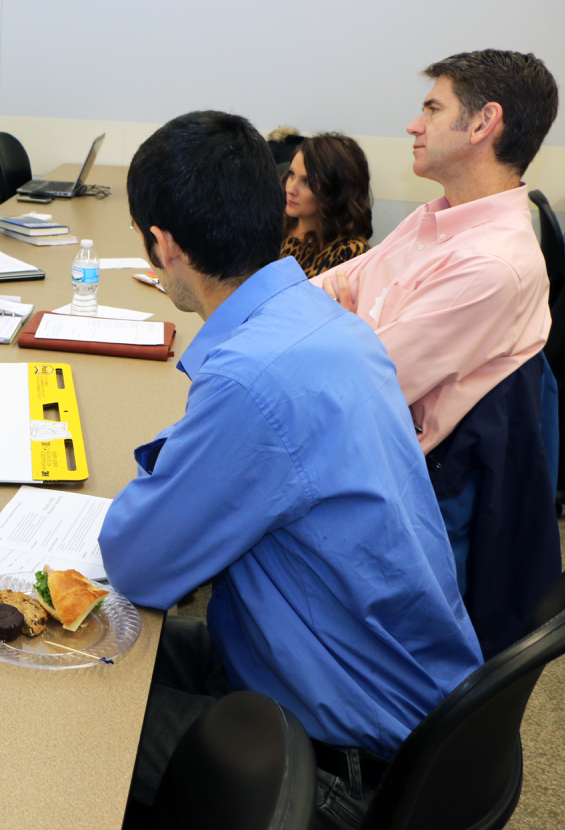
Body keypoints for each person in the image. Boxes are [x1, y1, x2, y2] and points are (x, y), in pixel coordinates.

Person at [98, 111, 481, 828]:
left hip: (340, 761)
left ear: (163, 245)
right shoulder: (320, 321)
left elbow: (138, 566)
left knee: (74, 707)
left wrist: (173, 475)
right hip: (401, 697)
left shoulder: (251, 379)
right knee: (100, 646)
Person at [313, 50, 556, 454]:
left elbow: (353, 384)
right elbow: (318, 292)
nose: (413, 126)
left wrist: (340, 326)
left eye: (432, 110)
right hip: (346, 424)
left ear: (483, 123)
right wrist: (345, 327)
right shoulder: (438, 215)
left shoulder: (490, 265)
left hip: (375, 464)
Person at [280, 133, 373, 276]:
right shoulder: (276, 229)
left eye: (307, 182)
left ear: (336, 191)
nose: (290, 189)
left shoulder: (350, 254)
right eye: (292, 174)